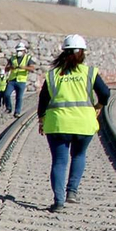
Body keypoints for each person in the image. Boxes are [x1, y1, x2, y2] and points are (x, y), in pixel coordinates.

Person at [37, 34, 111, 213]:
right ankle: (72, 192)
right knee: (78, 156)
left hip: (58, 124)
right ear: (82, 53)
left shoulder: (53, 75)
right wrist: (98, 106)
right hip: (84, 123)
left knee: (59, 162)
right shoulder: (90, 72)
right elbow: (105, 93)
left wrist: (41, 119)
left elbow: (43, 100)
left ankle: (59, 202)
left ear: (63, 53)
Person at [7, 41, 33, 116]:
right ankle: (9, 108)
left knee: (19, 97)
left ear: (24, 51)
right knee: (7, 94)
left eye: (20, 51)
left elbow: (32, 68)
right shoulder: (12, 58)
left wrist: (24, 67)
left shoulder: (27, 58)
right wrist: (11, 67)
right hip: (12, 80)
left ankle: (17, 112)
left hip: (21, 81)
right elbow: (6, 68)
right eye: (18, 51)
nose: (19, 52)